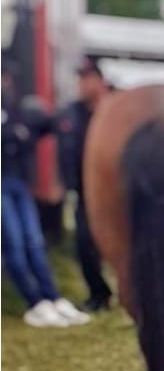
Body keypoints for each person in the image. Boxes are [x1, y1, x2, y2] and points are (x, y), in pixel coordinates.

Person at [2, 67, 90, 327]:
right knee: (14, 244)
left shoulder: (16, 111)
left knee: (34, 242)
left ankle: (52, 297)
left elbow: (43, 127)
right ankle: (35, 302)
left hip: (18, 183)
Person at [56, 56, 114, 312]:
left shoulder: (117, 110)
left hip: (116, 191)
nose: (81, 85)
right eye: (80, 79)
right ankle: (99, 294)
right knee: (84, 244)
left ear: (99, 81)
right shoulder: (72, 113)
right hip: (85, 190)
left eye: (86, 79)